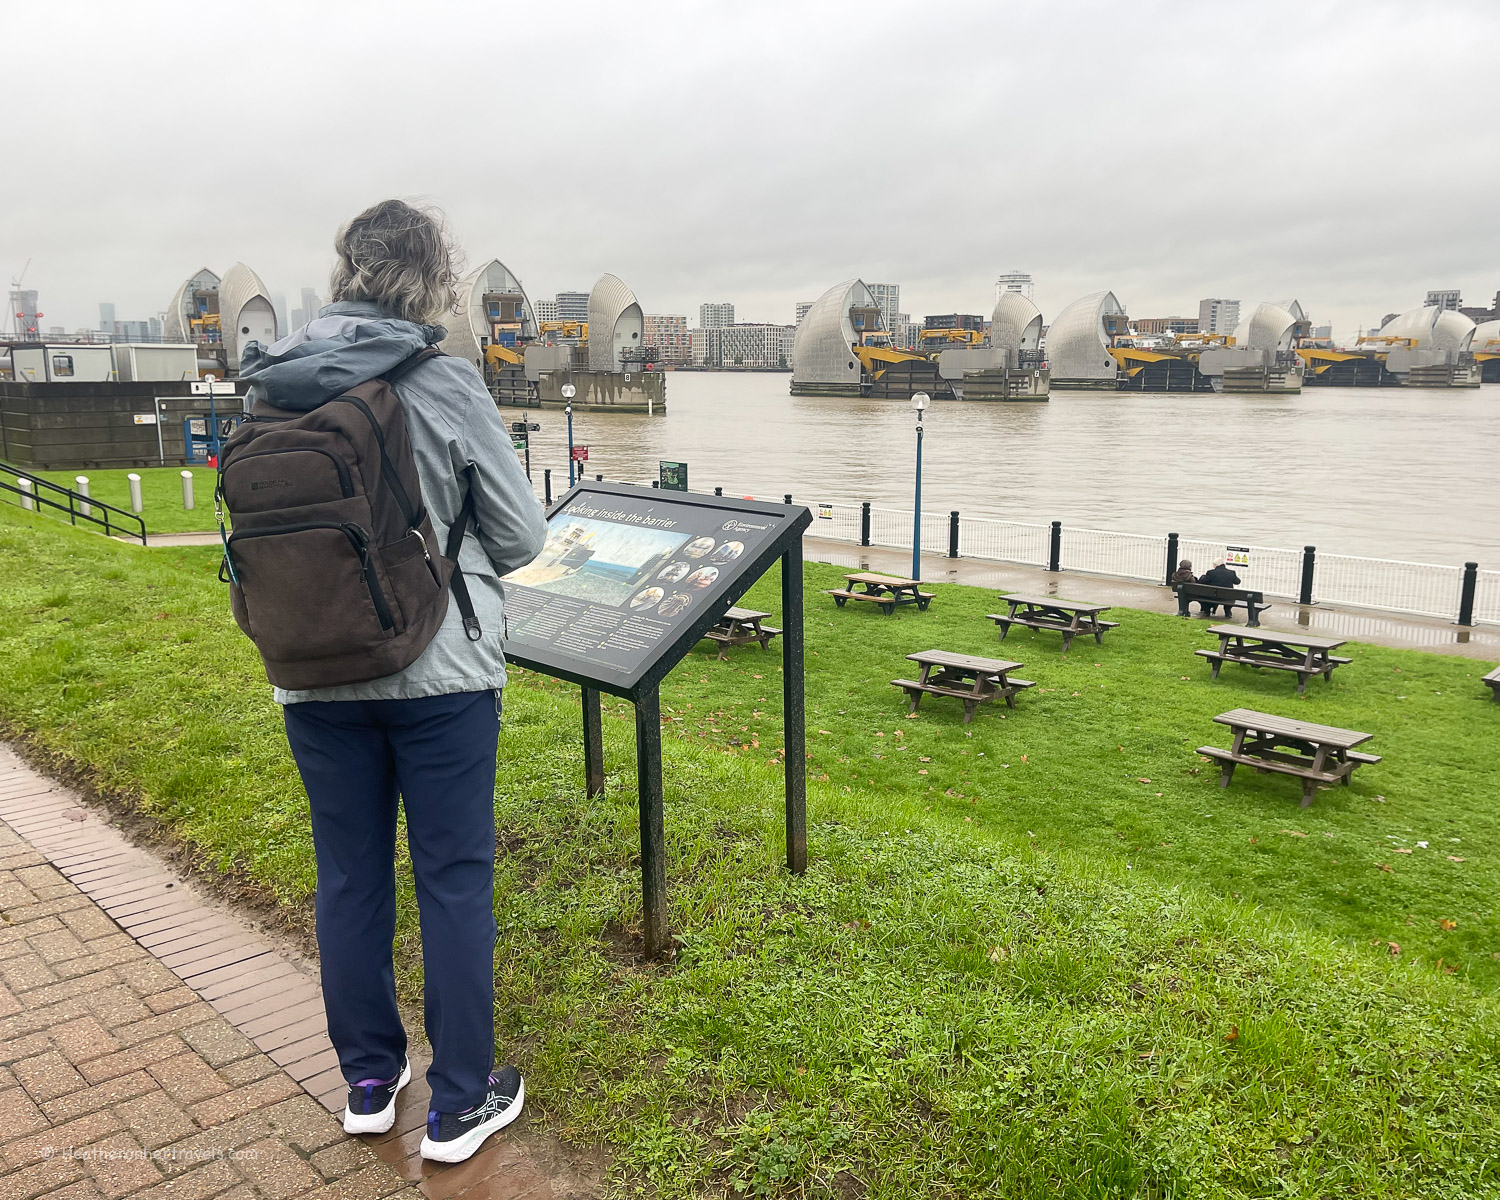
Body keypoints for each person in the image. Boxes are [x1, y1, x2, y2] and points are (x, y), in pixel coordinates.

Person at [238, 200, 546, 1164]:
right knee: (453, 879)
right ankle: (460, 1104)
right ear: (433, 281)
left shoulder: (271, 385)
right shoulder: (442, 382)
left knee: (348, 874)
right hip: (441, 675)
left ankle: (370, 1081)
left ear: (343, 273)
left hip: (312, 671)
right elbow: (522, 537)